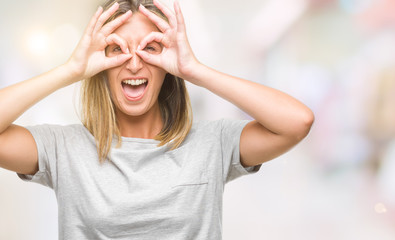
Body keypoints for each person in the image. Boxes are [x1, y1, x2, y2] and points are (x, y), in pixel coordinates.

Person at [0, 0, 314, 239]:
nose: (135, 63)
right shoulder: (63, 148)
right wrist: (71, 70)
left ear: (168, 66)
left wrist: (195, 70)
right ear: (101, 65)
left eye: (151, 49)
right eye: (118, 49)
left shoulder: (213, 143)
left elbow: (297, 122)